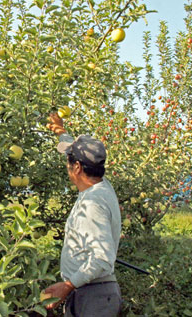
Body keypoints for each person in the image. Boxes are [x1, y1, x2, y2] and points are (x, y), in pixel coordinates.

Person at [43, 112, 123, 316]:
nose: (67, 165)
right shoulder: (102, 184)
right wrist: (61, 132)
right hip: (91, 294)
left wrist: (68, 285)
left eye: (69, 162)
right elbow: (75, 151)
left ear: (77, 167)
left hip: (93, 298)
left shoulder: (93, 204)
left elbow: (103, 257)